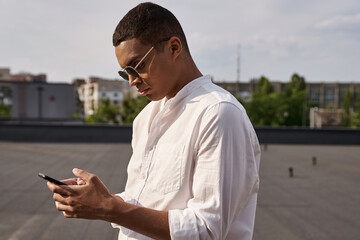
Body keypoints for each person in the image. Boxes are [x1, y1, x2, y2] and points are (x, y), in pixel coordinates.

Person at [47, 2, 261, 240]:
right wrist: (101, 200)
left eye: (137, 66)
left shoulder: (218, 113)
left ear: (173, 47)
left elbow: (207, 230)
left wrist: (108, 209)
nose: (132, 81)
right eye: (125, 72)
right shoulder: (145, 118)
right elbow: (146, 200)